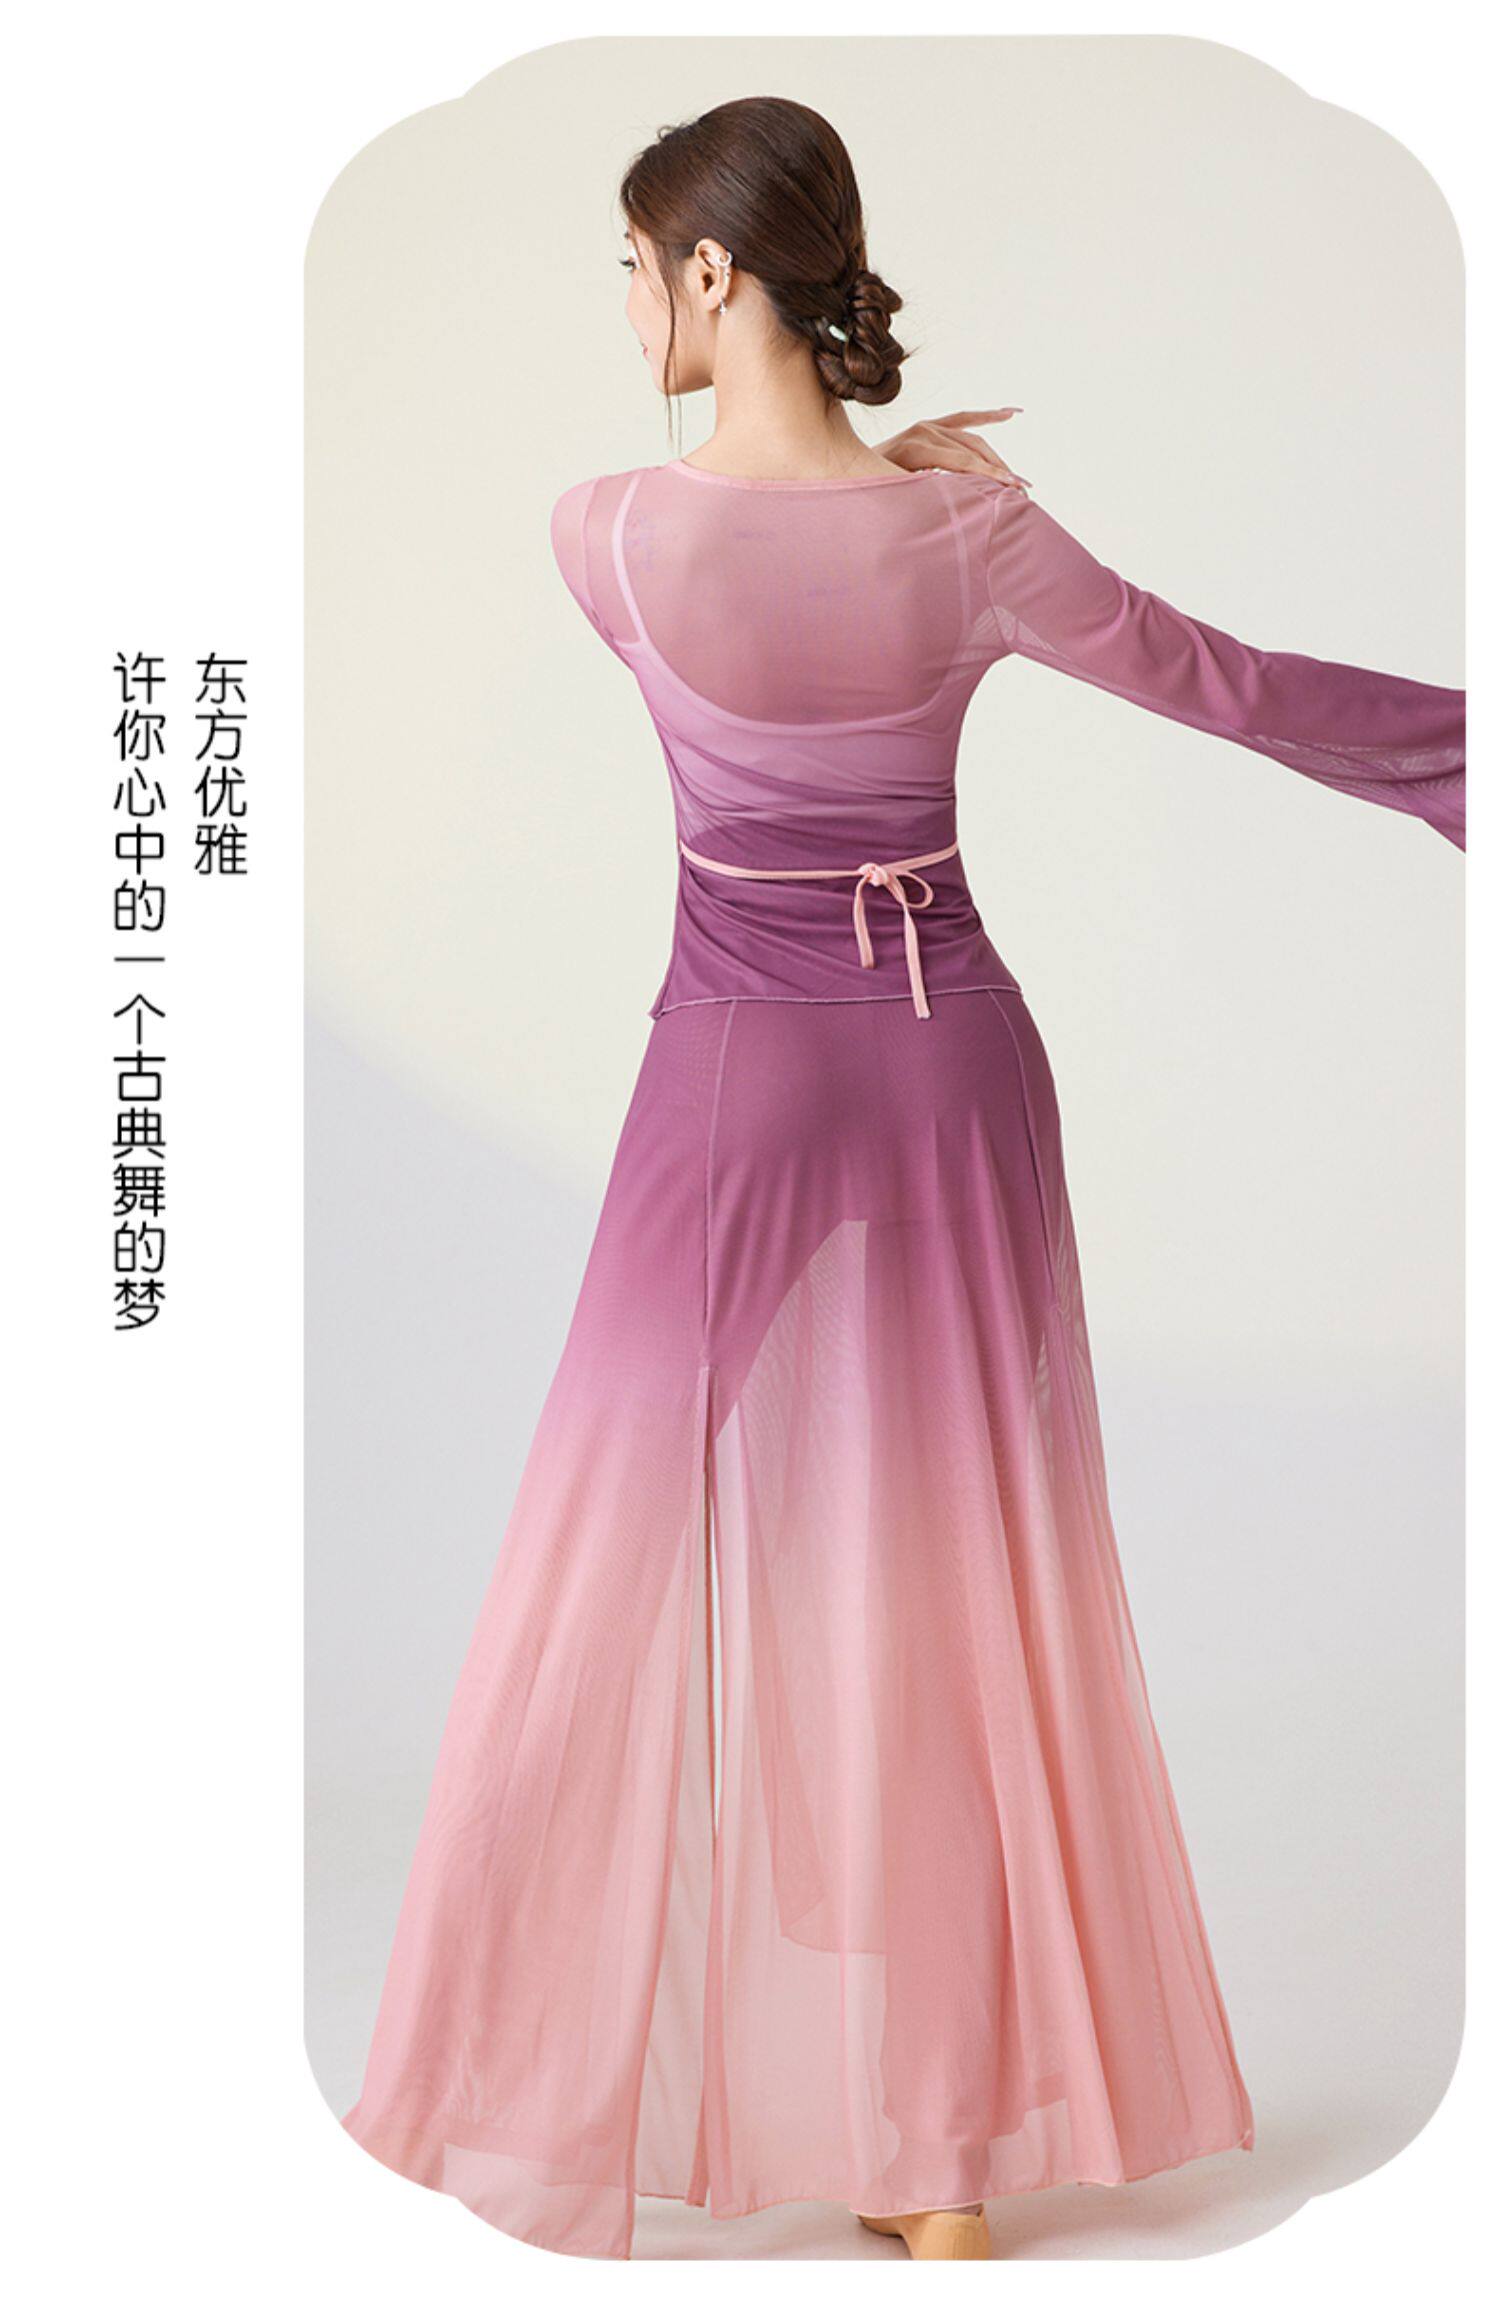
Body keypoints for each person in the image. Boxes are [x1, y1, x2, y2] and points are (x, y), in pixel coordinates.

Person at [341, 96, 1464, 2263]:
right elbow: (1232, 689)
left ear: (711, 273)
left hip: (739, 1073)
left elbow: (752, 551)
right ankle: (935, 2166)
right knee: (956, 1585)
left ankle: (494, 2088)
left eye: (634, 267)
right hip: (956, 1065)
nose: (627, 307)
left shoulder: (602, 535)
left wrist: (884, 491)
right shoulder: (975, 540)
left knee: (598, 1557)